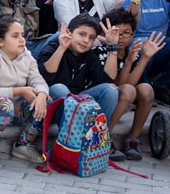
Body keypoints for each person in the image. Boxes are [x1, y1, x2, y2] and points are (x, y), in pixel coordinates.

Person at [0, 18, 52, 165]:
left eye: (22, 35)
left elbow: (38, 81)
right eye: (15, 36)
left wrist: (42, 95)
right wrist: (20, 90)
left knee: (45, 100)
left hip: (13, 108)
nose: (22, 39)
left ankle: (23, 145)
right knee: (4, 104)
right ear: (0, 41)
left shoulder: (26, 55)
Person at [38, 14, 122, 149]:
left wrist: (112, 46)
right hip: (51, 105)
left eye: (91, 38)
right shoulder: (54, 45)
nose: (86, 41)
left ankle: (96, 141)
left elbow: (106, 79)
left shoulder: (88, 55)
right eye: (82, 34)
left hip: (77, 103)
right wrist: (62, 48)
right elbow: (45, 75)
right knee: (60, 89)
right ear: (69, 33)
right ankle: (69, 141)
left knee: (110, 90)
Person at [104, 9, 162, 161]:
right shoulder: (101, 51)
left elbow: (129, 84)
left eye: (126, 33)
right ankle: (103, 138)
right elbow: (115, 86)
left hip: (122, 99)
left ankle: (133, 139)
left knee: (146, 89)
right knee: (128, 90)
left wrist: (145, 57)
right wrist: (128, 62)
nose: (121, 37)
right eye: (117, 32)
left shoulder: (131, 52)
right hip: (103, 100)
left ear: (133, 34)